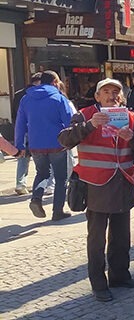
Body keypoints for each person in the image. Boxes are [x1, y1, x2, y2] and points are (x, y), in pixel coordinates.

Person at [58, 78, 134, 302]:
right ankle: (98, 283)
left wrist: (132, 137)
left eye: (115, 92)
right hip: (95, 184)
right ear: (97, 96)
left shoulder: (130, 115)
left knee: (122, 235)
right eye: (105, 92)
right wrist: (90, 126)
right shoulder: (85, 114)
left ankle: (120, 275)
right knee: (96, 238)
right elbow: (64, 140)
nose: (111, 96)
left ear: (121, 96)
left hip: (123, 181)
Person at [14, 70, 73, 220]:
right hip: (58, 143)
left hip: (35, 144)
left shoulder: (26, 98)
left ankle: (36, 198)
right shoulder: (59, 97)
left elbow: (20, 123)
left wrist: (19, 145)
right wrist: (73, 140)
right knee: (60, 178)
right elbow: (69, 121)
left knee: (42, 173)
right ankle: (57, 211)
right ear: (54, 82)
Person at [12, 72, 44, 195]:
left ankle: (20, 183)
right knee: (40, 158)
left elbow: (15, 114)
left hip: (22, 129)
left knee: (22, 158)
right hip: (36, 130)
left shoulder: (18, 94)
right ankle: (42, 182)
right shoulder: (38, 95)